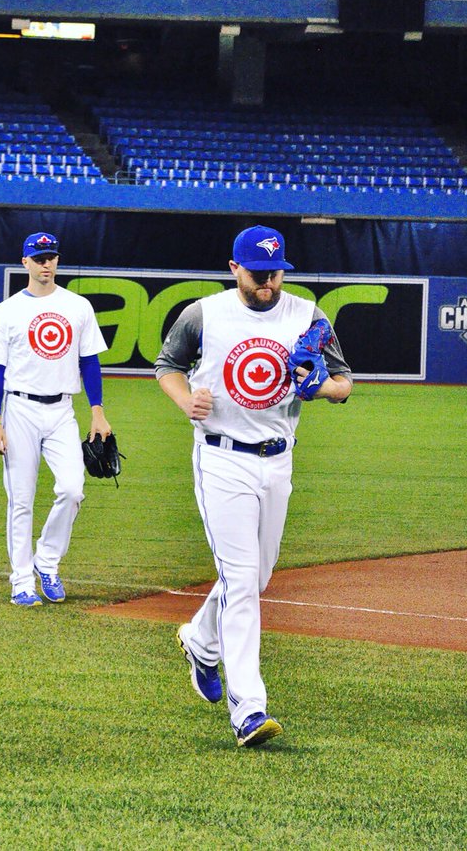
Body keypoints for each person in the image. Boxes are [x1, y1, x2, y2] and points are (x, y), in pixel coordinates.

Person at [155, 225, 353, 748]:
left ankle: (201, 637)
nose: (269, 283)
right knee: (242, 582)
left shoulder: (308, 316)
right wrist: (185, 401)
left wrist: (321, 389)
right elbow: (167, 367)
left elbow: (344, 383)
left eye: (276, 273)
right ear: (234, 269)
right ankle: (249, 709)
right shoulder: (203, 314)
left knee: (258, 575)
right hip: (222, 460)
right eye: (258, 274)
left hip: (278, 461)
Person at [0, 232, 111, 606]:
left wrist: (97, 411)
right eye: (38, 258)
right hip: (18, 408)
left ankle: (47, 561)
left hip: (61, 410)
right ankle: (21, 580)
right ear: (25, 263)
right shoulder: (7, 311)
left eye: (51, 257)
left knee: (72, 489)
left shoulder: (77, 306)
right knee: (20, 500)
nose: (46, 263)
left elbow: (89, 361)